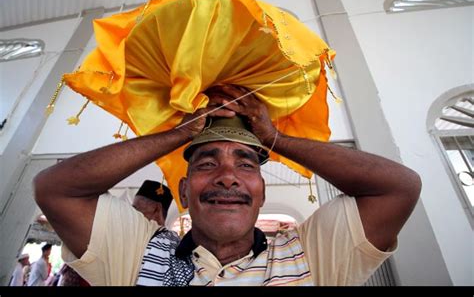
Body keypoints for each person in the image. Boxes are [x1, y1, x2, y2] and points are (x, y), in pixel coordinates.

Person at [33, 85, 421, 286]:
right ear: (183, 192)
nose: (227, 175)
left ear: (262, 193)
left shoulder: (311, 250)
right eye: (207, 162)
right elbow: (56, 188)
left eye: (245, 162)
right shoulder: (137, 251)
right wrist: (177, 135)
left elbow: (399, 187)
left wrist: (277, 139)